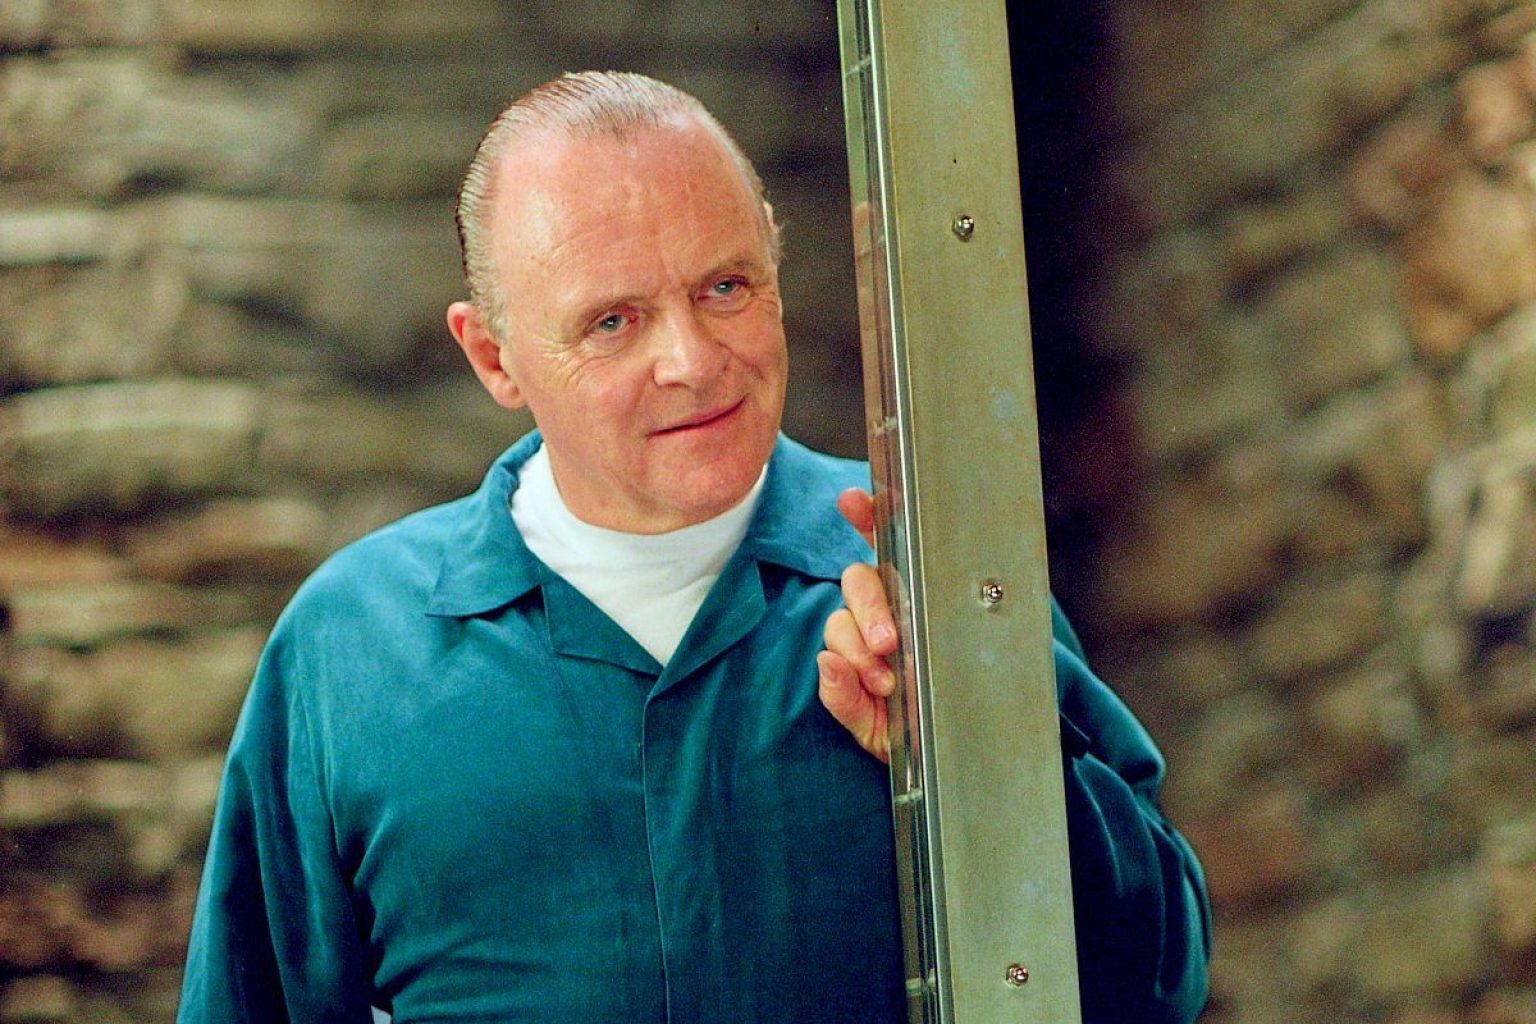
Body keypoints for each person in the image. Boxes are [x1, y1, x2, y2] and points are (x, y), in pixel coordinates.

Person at [177, 71, 1209, 1024]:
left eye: (725, 288)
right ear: (494, 356)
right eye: (613, 322)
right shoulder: (350, 650)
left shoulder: (926, 568)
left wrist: (984, 756)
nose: (692, 361)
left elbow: (1162, 979)